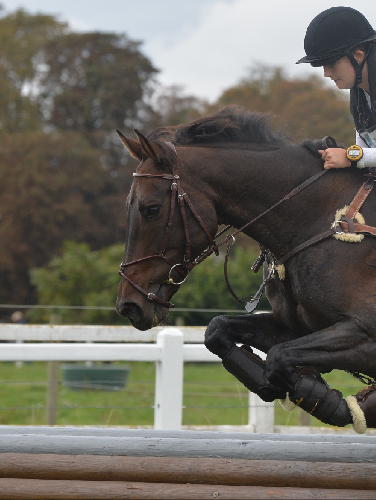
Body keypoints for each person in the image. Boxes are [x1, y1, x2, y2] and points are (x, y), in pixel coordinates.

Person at [296, 6, 376, 170]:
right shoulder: (360, 93)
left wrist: (351, 157)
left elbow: (360, 155)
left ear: (358, 56)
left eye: (331, 64)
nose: (326, 74)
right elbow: (366, 146)